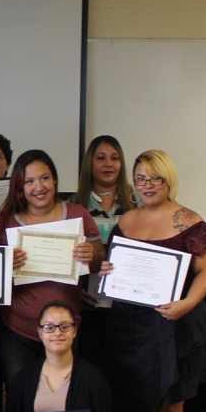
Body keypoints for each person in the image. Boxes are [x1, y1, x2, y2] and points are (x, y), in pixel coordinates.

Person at [100, 150, 206, 412]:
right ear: (132, 183)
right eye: (140, 178)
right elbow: (115, 268)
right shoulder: (126, 221)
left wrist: (186, 303)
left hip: (175, 325)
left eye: (155, 178)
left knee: (171, 400)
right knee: (126, 399)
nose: (147, 185)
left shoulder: (190, 222)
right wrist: (106, 269)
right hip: (129, 326)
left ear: (169, 180)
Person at [0, 150, 103, 397]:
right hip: (16, 332)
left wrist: (91, 256)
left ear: (55, 180)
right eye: (29, 181)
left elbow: (98, 261)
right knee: (21, 398)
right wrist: (4, 265)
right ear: (19, 187)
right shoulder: (5, 222)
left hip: (63, 331)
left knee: (63, 398)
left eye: (44, 178)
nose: (38, 187)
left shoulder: (78, 214)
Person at [70, 135, 139, 367]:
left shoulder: (138, 201)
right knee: (93, 367)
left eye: (115, 158)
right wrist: (74, 292)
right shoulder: (74, 205)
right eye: (101, 158)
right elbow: (64, 259)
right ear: (90, 162)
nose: (108, 164)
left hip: (131, 304)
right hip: (92, 304)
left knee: (127, 372)